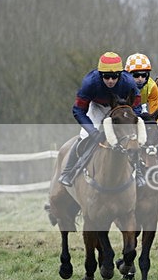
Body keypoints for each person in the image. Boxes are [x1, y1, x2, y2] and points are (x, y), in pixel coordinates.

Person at [58, 52, 143, 187]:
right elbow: (78, 110)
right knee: (84, 135)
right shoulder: (89, 83)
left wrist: (129, 119)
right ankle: (68, 172)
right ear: (100, 74)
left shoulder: (129, 83)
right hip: (97, 107)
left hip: (120, 109)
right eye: (106, 76)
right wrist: (92, 131)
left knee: (132, 138)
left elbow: (137, 108)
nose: (110, 80)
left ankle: (139, 173)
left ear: (120, 75)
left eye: (114, 77)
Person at [125, 53, 158, 118]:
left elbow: (154, 111)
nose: (140, 79)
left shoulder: (152, 87)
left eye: (143, 75)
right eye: (136, 75)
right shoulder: (122, 85)